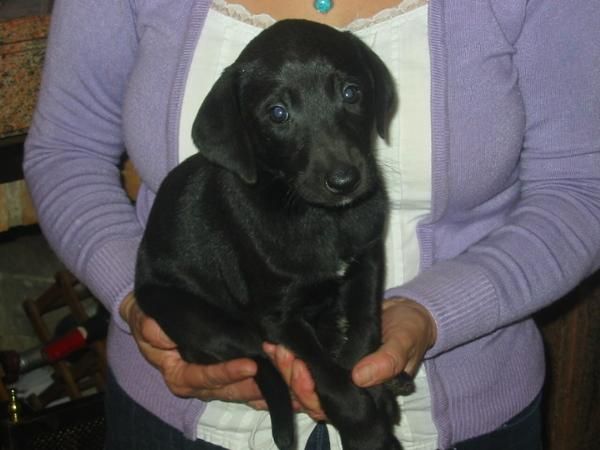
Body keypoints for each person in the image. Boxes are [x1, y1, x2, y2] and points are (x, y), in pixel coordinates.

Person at [23, 0, 600, 449]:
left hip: (466, 403)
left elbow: (580, 192)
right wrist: (144, 303)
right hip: (172, 412)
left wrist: (434, 312)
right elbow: (65, 151)